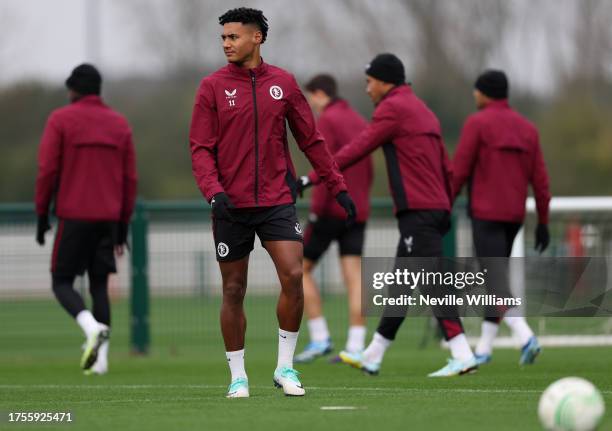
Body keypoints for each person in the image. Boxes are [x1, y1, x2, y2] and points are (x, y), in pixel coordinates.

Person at [189, 8, 355, 398]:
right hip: (230, 205)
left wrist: (337, 187)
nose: (226, 43)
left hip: (277, 201)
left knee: (294, 275)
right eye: (223, 38)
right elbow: (200, 149)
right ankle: (238, 376)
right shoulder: (211, 87)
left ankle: (285, 367)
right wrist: (214, 192)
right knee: (233, 289)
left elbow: (310, 140)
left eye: (233, 37)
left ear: (257, 38)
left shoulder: (283, 83)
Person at [302, 53, 477, 377]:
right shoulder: (423, 110)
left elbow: (357, 148)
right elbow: (447, 168)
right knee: (401, 284)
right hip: (434, 208)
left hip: (419, 211)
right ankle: (374, 354)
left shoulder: (392, 109)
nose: (367, 89)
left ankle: (463, 352)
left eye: (369, 82)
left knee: (432, 281)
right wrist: (445, 204)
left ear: (384, 81)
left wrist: (310, 179)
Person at [35, 64, 137, 375]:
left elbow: (47, 170)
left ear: (73, 90)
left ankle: (90, 327)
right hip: (108, 218)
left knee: (62, 281)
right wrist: (121, 227)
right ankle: (101, 362)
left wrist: (42, 214)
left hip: (74, 215)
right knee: (99, 286)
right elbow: (129, 179)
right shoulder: (119, 124)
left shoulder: (61, 120)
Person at [452, 69, 551, 366]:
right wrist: (543, 222)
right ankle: (484, 348)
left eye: (476, 90)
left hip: (485, 214)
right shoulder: (528, 129)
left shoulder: (477, 123)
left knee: (495, 282)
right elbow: (542, 181)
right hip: (514, 217)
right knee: (495, 277)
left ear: (484, 92)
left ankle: (525, 336)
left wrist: (445, 205)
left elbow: (459, 170)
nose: (474, 95)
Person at [293, 74, 373, 364]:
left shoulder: (327, 119)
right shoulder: (359, 120)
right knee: (354, 278)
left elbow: (325, 164)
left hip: (330, 209)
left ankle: (320, 338)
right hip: (358, 209)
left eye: (311, 97)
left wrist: (316, 206)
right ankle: (354, 346)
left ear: (319, 94)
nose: (312, 104)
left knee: (297, 268)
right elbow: (367, 168)